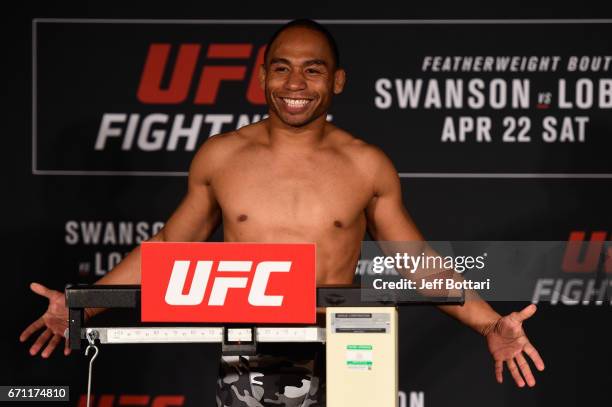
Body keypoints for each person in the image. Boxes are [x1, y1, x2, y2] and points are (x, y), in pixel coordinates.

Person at [20, 19, 545, 406]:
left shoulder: (367, 164)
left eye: (312, 70)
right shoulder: (221, 157)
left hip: (350, 341)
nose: (295, 84)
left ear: (337, 80)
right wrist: (82, 306)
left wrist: (488, 325)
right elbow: (168, 252)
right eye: (283, 68)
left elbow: (414, 262)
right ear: (263, 76)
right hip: (259, 347)